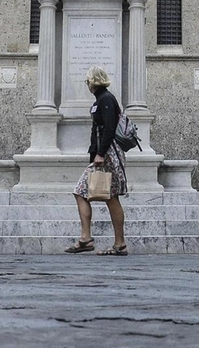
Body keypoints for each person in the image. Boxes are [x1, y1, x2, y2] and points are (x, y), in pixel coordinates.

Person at [66, 66, 129, 256]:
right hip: (102, 154)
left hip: (108, 154)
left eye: (88, 81)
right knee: (85, 192)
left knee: (109, 196)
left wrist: (100, 154)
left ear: (95, 81)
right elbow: (97, 130)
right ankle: (88, 239)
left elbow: (109, 128)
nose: (87, 84)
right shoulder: (100, 100)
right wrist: (93, 155)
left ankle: (117, 243)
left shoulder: (106, 99)